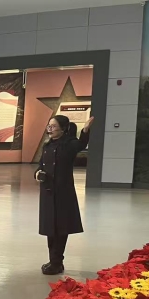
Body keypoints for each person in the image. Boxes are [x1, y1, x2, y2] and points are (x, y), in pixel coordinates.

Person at [35, 114, 94, 275]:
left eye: (53, 126)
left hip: (63, 193)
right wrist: (38, 173)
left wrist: (85, 130)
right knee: (50, 228)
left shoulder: (69, 144)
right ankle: (53, 261)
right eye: (49, 126)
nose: (50, 129)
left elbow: (81, 144)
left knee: (61, 228)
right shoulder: (47, 145)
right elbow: (41, 165)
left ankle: (57, 262)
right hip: (47, 192)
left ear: (63, 129)